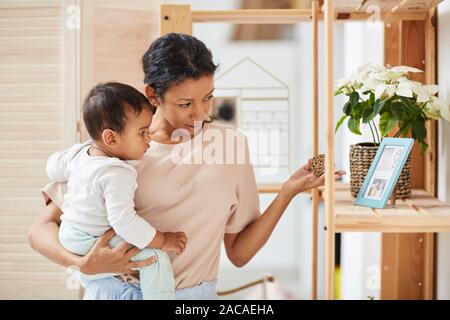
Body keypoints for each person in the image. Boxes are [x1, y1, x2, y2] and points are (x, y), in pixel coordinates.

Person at [29, 33, 346, 300]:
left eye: (207, 98)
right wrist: (82, 264)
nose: (199, 115)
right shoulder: (118, 149)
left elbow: (239, 253)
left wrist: (287, 193)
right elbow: (40, 230)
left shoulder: (230, 146)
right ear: (153, 95)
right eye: (185, 104)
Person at [46, 82, 186, 299]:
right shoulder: (116, 173)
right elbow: (124, 221)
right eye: (142, 133)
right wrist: (163, 240)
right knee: (156, 257)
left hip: (69, 234)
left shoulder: (80, 153)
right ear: (110, 138)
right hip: (88, 238)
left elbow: (53, 168)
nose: (149, 140)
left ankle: (95, 277)